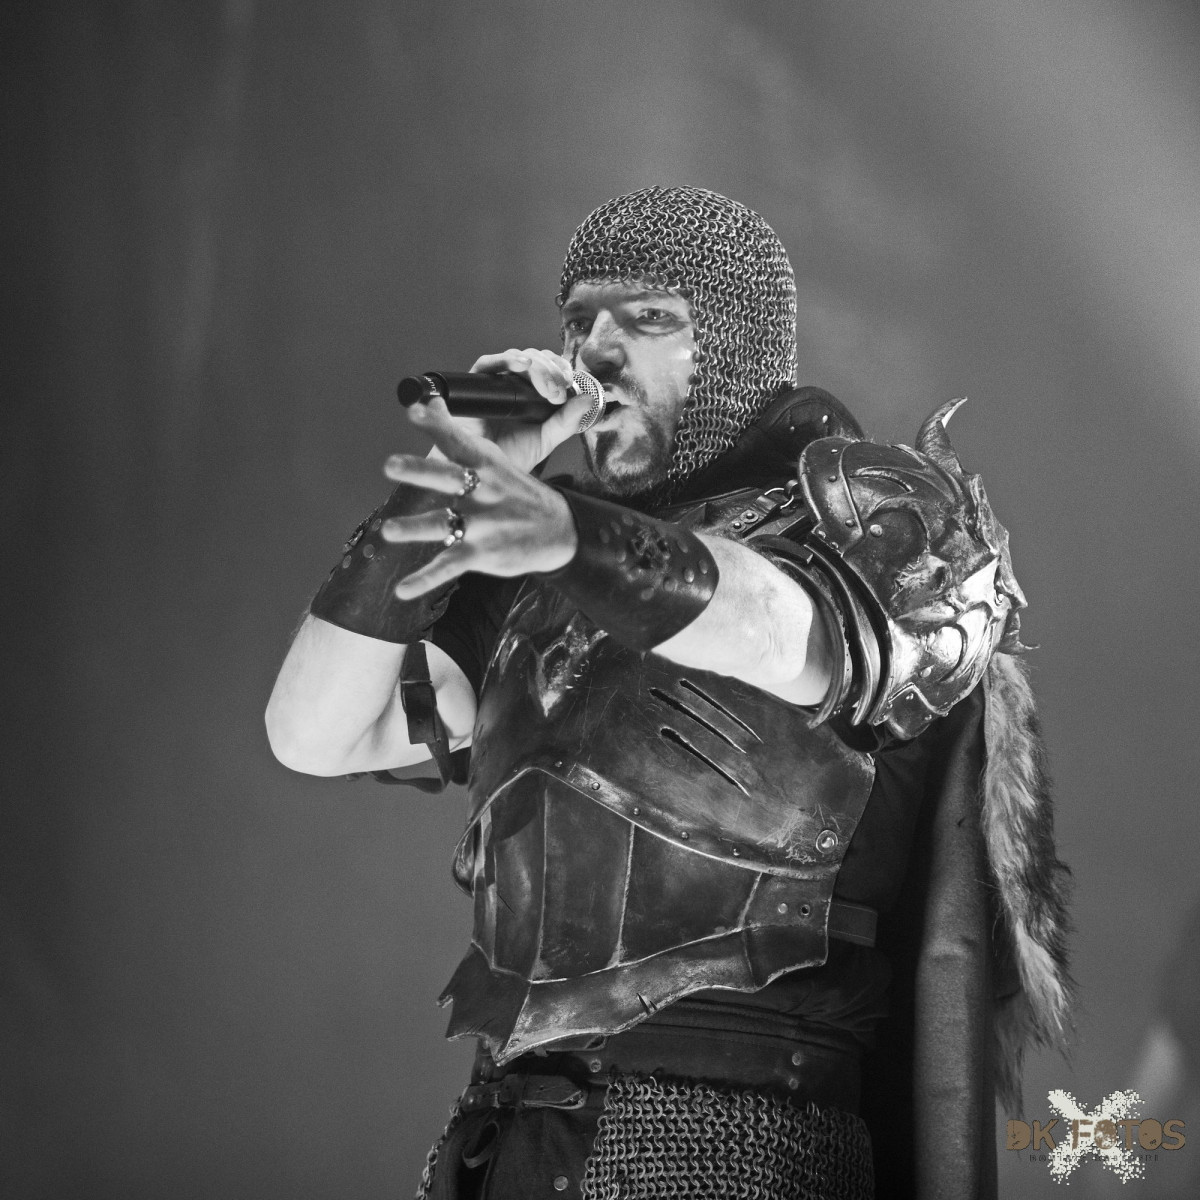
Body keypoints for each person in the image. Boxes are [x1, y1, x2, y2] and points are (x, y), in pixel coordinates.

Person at [265, 186, 1072, 1200]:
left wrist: (567, 535)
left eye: (647, 319)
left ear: (734, 342)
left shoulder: (872, 519)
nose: (596, 351)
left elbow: (781, 631)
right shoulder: (537, 581)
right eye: (579, 321)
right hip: (509, 1140)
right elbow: (315, 732)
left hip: (740, 1141)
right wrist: (440, 487)